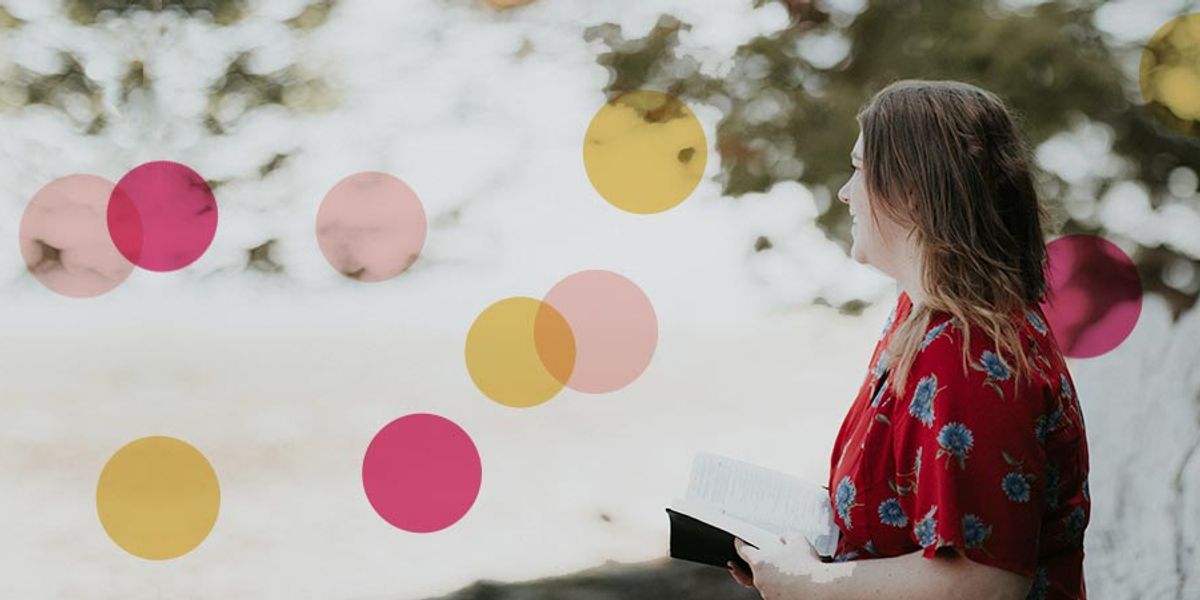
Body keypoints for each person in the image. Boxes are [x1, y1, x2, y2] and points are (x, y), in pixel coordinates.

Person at [727, 80, 1090, 599]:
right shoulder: (920, 317)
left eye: (858, 169)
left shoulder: (969, 353)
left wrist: (809, 583)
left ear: (913, 189)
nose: (845, 192)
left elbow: (984, 583)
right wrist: (794, 560)